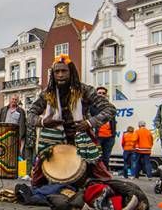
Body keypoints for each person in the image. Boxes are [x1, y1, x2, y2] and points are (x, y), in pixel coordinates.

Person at [26, 55, 115, 183]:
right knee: (38, 181)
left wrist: (89, 123)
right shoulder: (47, 93)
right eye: (57, 72)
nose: (60, 75)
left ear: (71, 72)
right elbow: (30, 115)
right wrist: (43, 122)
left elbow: (110, 109)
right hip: (54, 140)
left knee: (101, 176)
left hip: (81, 138)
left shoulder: (84, 90)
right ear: (53, 74)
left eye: (64, 71)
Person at [93, 86, 117, 169]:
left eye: (103, 93)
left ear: (106, 95)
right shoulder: (93, 107)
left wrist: (113, 134)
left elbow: (113, 121)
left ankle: (105, 175)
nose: (101, 94)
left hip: (109, 137)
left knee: (106, 158)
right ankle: (97, 174)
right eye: (99, 93)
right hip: (98, 136)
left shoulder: (110, 106)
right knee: (97, 157)